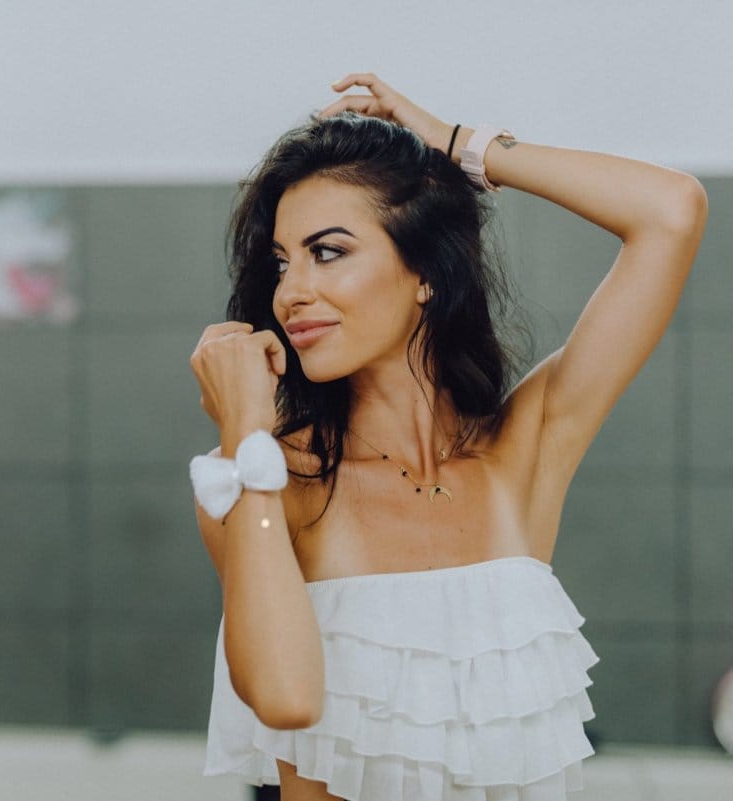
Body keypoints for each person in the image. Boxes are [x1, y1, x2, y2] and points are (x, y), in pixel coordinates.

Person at [189, 74, 707, 801]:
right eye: (282, 261)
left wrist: (461, 146)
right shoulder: (265, 475)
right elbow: (284, 697)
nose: (290, 291)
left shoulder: (520, 449)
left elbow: (672, 211)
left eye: (327, 251)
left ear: (425, 271)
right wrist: (246, 431)